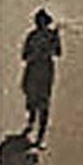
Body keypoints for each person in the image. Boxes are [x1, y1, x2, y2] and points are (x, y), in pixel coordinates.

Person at [20, 8, 61, 149]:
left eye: (43, 22)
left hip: (45, 73)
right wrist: (35, 54)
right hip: (32, 71)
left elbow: (58, 53)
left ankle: (40, 136)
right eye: (39, 22)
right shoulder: (31, 37)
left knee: (44, 104)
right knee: (31, 100)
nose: (41, 25)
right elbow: (24, 56)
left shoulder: (51, 35)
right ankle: (31, 120)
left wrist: (55, 39)